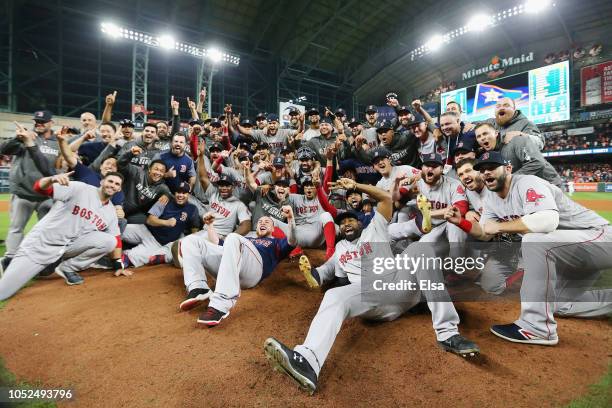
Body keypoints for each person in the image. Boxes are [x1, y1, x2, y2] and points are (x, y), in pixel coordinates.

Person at [263, 178, 479, 394]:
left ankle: (447, 333)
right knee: (334, 295)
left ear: (360, 222)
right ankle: (309, 360)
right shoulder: (340, 249)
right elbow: (324, 274)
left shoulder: (375, 226)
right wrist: (310, 273)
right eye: (342, 222)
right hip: (373, 298)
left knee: (420, 250)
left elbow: (385, 198)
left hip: (399, 282)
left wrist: (356, 186)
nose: (346, 224)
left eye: (350, 220)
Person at [445, 151, 611, 345]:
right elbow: (484, 232)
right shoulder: (491, 199)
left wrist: (499, 226)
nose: (486, 173)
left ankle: (536, 327)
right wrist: (461, 223)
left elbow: (547, 221)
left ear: (508, 169)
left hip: (598, 237)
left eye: (492, 168)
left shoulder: (526, 183)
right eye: (482, 170)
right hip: (571, 254)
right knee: (558, 304)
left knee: (534, 241)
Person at [0, 171, 125, 300]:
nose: (112, 185)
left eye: (116, 184)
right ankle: (11, 264)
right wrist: (51, 179)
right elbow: (40, 187)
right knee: (3, 292)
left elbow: (116, 239)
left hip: (66, 248)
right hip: (41, 244)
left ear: (119, 188)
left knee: (110, 241)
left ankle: (67, 267)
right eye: (110, 181)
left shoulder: (110, 211)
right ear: (102, 181)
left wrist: (118, 265)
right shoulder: (80, 189)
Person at [174, 211, 297, 326]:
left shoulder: (276, 242)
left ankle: (220, 305)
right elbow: (218, 244)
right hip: (233, 268)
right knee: (189, 240)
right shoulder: (248, 239)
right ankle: (198, 287)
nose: (262, 223)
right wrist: (210, 225)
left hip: (253, 271)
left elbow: (292, 241)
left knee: (233, 237)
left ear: (273, 228)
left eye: (267, 222)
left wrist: (290, 219)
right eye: (260, 221)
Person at [0, 112, 60, 272]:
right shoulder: (26, 136)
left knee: (47, 230)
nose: (39, 124)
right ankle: (10, 260)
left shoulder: (57, 142)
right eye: (37, 121)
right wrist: (17, 138)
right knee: (16, 228)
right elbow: (3, 149)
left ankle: (41, 261)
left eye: (43, 121)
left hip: (46, 195)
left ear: (51, 123)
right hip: (23, 194)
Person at [121, 183, 200, 268]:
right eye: (178, 192)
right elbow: (150, 220)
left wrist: (192, 244)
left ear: (188, 194)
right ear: (175, 193)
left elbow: (194, 227)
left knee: (130, 258)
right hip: (144, 230)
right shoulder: (165, 200)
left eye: (184, 193)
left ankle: (116, 257)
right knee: (118, 230)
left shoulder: (192, 209)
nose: (180, 195)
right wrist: (166, 222)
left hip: (157, 242)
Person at [474, 122, 563, 188]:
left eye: (485, 133)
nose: (482, 138)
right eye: (479, 136)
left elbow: (537, 162)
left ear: (496, 133)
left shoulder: (515, 140)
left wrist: (509, 179)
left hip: (550, 185)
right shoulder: (489, 154)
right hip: (530, 188)